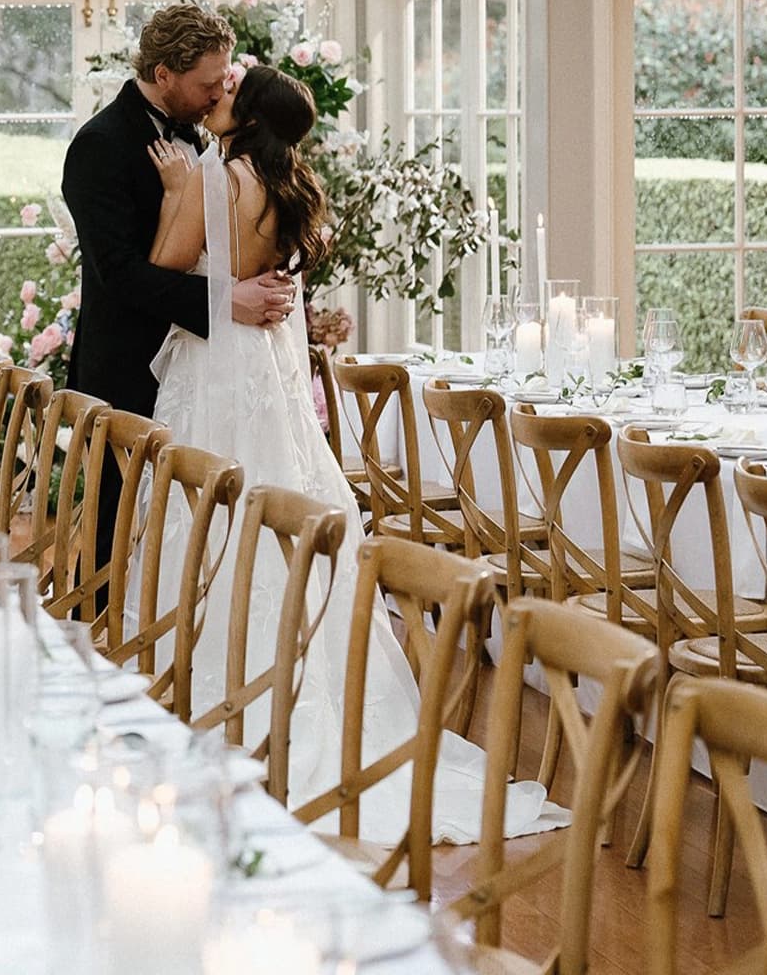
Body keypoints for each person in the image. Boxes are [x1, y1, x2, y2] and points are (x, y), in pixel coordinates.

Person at [140, 58, 562, 845]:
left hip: (216, 372)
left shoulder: (208, 175)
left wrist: (171, 196)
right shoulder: (289, 187)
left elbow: (165, 264)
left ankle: (219, 709)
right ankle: (287, 703)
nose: (221, 93)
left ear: (251, 118)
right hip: (264, 376)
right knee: (278, 516)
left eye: (233, 92)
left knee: (210, 529)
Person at [61, 4, 297, 554]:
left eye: (224, 82)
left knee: (194, 536)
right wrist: (224, 300)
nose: (219, 96)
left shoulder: (207, 139)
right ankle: (102, 640)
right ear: (163, 74)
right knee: (116, 539)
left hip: (200, 373)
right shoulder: (99, 146)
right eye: (208, 84)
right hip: (126, 373)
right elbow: (117, 275)